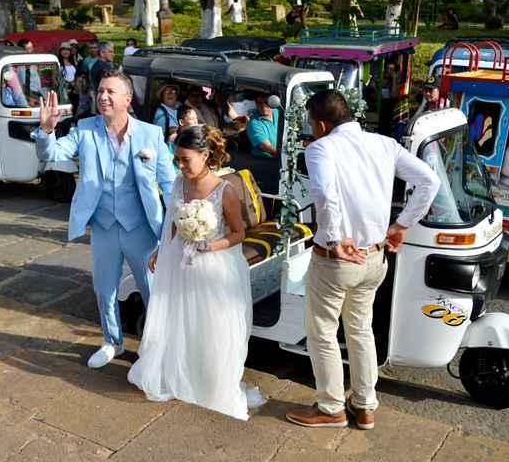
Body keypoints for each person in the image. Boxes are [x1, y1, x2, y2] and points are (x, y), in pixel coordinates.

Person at [284, 89, 439, 430]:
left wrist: (337, 237)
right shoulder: (384, 144)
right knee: (360, 329)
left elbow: (325, 193)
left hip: (337, 259)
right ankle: (365, 405)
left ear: (321, 123)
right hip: (374, 255)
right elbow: (430, 180)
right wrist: (401, 224)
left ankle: (330, 407)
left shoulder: (322, 147)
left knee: (322, 333)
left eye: (311, 123)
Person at [35, 70, 176, 368]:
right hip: (103, 225)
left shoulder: (150, 134)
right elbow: (53, 153)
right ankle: (113, 343)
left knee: (152, 289)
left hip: (141, 226)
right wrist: (47, 131)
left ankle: (158, 347)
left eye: (110, 91)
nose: (103, 97)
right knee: (104, 289)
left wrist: (172, 227)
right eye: (100, 91)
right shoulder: (85, 129)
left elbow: (168, 183)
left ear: (127, 99)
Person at [128, 124, 264, 420]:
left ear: (204, 155)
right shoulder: (179, 182)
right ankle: (180, 373)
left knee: (211, 323)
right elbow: (173, 222)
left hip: (214, 265)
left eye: (185, 159)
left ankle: (210, 382)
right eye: (177, 158)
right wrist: (161, 250)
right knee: (179, 316)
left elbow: (240, 233)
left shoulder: (224, 190)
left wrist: (210, 246)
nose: (180, 165)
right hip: (179, 259)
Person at [58, 42, 82, 113]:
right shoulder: (58, 63)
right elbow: (54, 78)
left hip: (74, 90)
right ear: (60, 51)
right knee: (67, 110)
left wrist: (80, 91)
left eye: (68, 50)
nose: (66, 52)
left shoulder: (73, 62)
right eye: (64, 49)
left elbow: (75, 78)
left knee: (75, 109)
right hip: (64, 90)